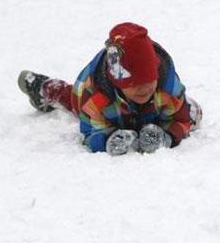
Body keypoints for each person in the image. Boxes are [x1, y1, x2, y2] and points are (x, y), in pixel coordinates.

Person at [17, 22, 202, 155]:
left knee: (192, 111)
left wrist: (167, 136)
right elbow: (89, 132)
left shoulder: (167, 88)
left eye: (149, 80)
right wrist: (107, 140)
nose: (144, 89)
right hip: (104, 107)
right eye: (135, 84)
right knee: (72, 100)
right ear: (118, 82)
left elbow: (182, 119)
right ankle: (43, 88)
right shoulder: (95, 97)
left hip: (153, 110)